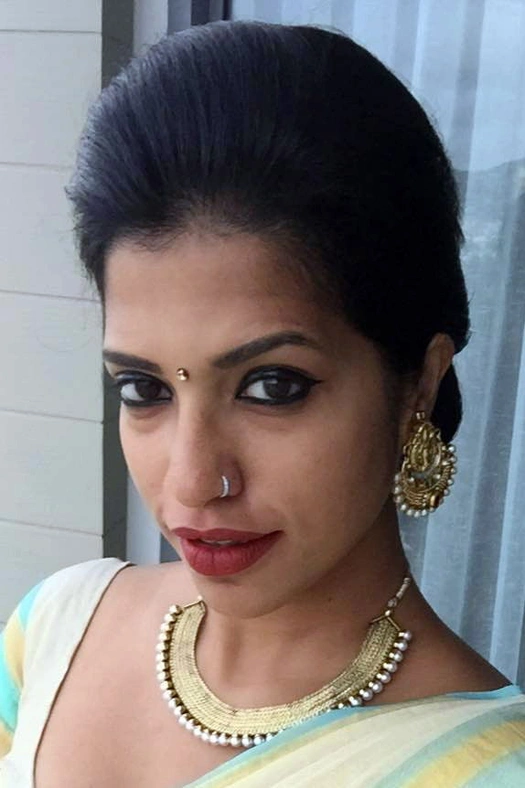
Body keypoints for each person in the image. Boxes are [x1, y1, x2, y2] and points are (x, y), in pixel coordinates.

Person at [1, 20, 524, 787]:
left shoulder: (488, 768)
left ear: (418, 382)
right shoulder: (54, 631)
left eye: (272, 387)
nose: (192, 482)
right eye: (143, 389)